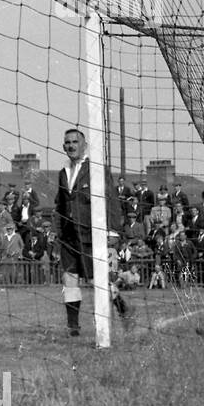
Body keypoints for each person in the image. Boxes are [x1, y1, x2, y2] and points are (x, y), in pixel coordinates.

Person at [56, 128, 130, 337]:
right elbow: (60, 205)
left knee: (96, 280)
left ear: (84, 145)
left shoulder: (97, 168)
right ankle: (73, 327)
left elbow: (112, 199)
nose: (71, 146)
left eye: (75, 142)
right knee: (68, 277)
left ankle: (122, 307)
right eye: (67, 143)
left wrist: (113, 232)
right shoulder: (63, 172)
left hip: (91, 234)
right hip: (69, 236)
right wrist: (58, 232)